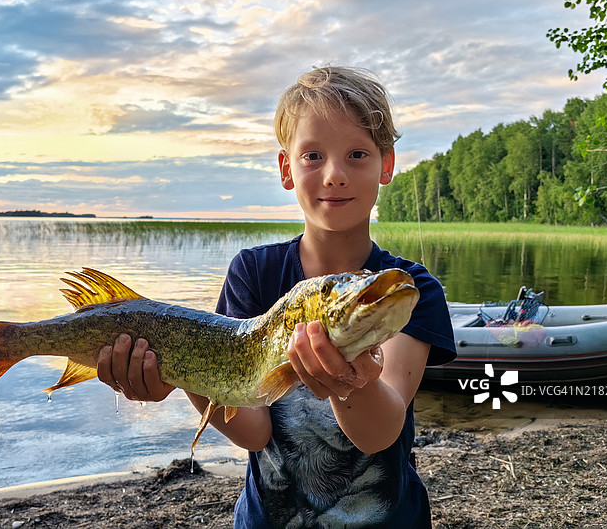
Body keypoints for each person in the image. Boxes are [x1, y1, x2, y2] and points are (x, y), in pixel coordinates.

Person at [96, 66, 456, 528]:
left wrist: (354, 382)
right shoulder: (254, 273)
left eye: (357, 154)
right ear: (287, 169)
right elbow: (254, 429)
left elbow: (380, 433)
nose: (334, 175)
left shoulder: (409, 288)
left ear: (386, 166)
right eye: (313, 156)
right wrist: (180, 369)